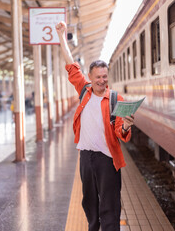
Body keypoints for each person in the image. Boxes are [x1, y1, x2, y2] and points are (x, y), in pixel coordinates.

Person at [56, 21, 134, 231]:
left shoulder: (117, 99)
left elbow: (121, 132)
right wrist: (62, 37)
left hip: (107, 160)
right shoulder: (84, 90)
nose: (102, 81)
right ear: (89, 77)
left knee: (110, 206)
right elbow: (71, 65)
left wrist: (126, 126)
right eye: (98, 77)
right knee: (89, 203)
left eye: (104, 77)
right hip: (86, 158)